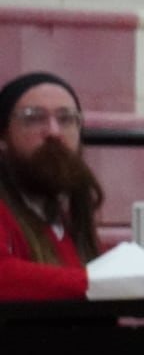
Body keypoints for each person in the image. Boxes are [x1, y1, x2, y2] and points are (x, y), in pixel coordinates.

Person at [0, 72, 104, 302]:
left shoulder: (69, 217)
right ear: (3, 136)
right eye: (34, 118)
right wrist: (101, 283)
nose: (54, 132)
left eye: (66, 119)